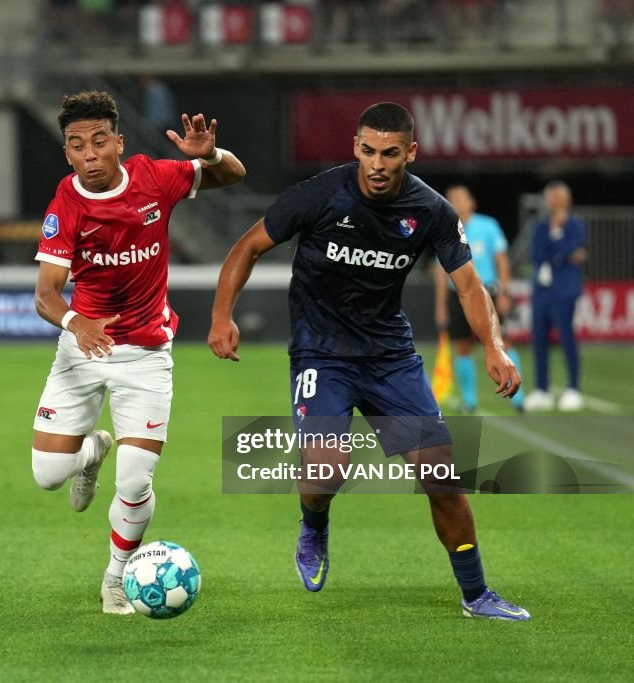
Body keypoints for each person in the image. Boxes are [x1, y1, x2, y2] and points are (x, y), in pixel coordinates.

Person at [209, 102, 530, 621]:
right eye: (367, 151)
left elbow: (469, 285)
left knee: (440, 477)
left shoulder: (430, 211)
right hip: (322, 353)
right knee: (325, 473)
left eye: (390, 153)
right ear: (355, 147)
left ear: (410, 152)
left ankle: (476, 595)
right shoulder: (321, 194)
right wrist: (222, 316)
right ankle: (314, 526)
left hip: (390, 359)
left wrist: (493, 345)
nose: (377, 164)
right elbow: (247, 247)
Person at [31, 91, 245, 614]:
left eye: (99, 142)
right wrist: (75, 322)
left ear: (118, 144)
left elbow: (233, 175)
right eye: (77, 145)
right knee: (47, 476)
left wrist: (209, 155)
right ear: (67, 154)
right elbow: (46, 294)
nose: (89, 154)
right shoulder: (67, 203)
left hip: (146, 353)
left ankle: (115, 577)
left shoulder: (155, 178)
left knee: (134, 478)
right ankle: (90, 452)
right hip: (82, 349)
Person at [433, 184, 524, 413]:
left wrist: (504, 292)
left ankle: (518, 397)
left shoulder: (488, 226)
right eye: (451, 197)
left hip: (488, 293)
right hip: (457, 295)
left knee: (503, 342)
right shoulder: (444, 229)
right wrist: (441, 305)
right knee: (463, 346)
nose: (456, 201)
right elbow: (441, 272)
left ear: (471, 202)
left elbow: (502, 260)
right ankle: (469, 400)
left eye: (460, 197)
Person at [524, 180, 587, 412]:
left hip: (565, 290)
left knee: (566, 337)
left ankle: (573, 388)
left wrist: (558, 236)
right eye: (551, 197)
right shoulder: (540, 226)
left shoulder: (575, 225)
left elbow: (572, 250)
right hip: (542, 290)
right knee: (539, 339)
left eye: (558, 197)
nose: (555, 201)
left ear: (567, 200)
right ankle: (542, 389)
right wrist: (562, 251)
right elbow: (537, 253)